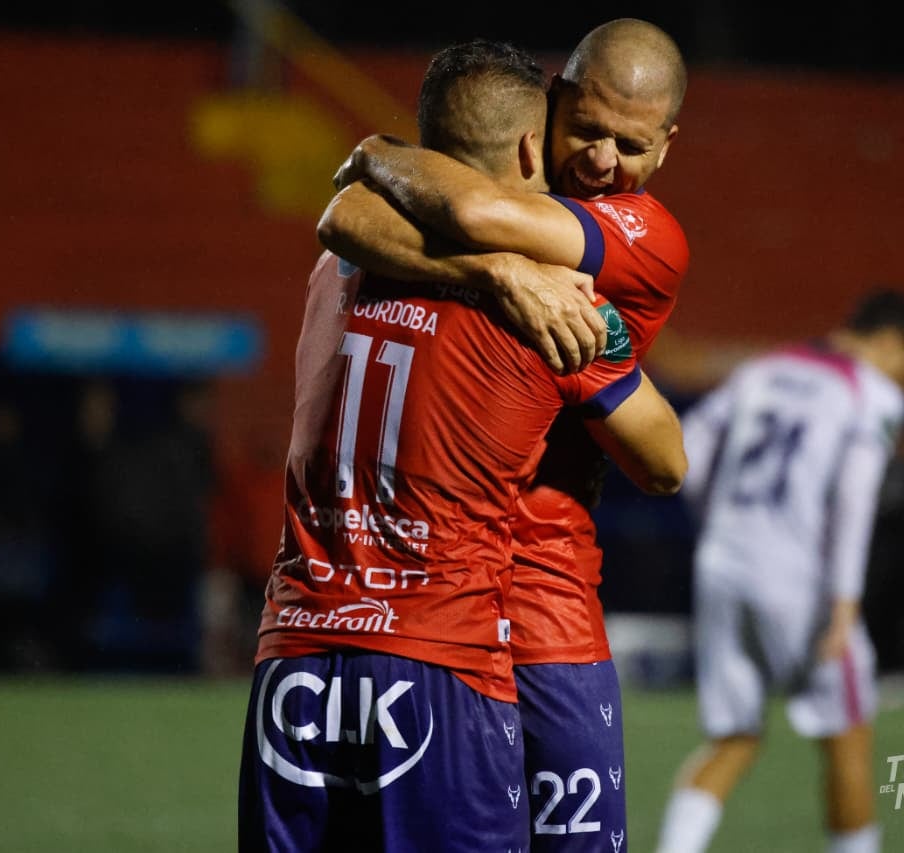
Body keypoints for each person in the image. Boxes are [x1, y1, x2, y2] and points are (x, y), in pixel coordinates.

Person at [239, 39, 687, 852]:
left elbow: (350, 218)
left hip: (354, 622)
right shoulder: (553, 300)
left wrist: (376, 153)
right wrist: (510, 281)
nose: (601, 159)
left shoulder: (640, 234)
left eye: (629, 144)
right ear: (542, 125)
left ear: (667, 143)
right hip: (451, 625)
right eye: (586, 129)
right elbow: (666, 462)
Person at [656, 289, 904, 853]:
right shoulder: (871, 391)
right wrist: (845, 603)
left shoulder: (763, 368)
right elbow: (854, 499)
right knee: (848, 737)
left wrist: (720, 523)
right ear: (890, 342)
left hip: (723, 562)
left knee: (733, 736)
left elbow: (691, 448)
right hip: (801, 580)